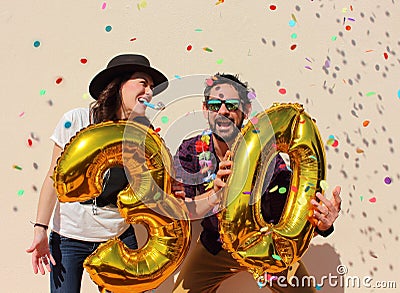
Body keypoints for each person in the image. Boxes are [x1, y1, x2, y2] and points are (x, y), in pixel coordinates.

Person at [172, 73, 342, 293]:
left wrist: (323, 225)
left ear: (246, 110)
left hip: (267, 248)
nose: (223, 111)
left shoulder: (270, 158)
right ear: (205, 109)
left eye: (231, 105)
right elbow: (181, 209)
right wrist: (214, 195)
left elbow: (292, 217)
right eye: (215, 105)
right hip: (216, 246)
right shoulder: (190, 151)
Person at [26, 53, 168, 293]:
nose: (150, 92)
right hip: (69, 237)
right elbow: (53, 178)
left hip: (117, 236)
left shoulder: (144, 134)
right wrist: (40, 229)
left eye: (152, 87)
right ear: (118, 85)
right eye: (143, 83)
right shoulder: (77, 120)